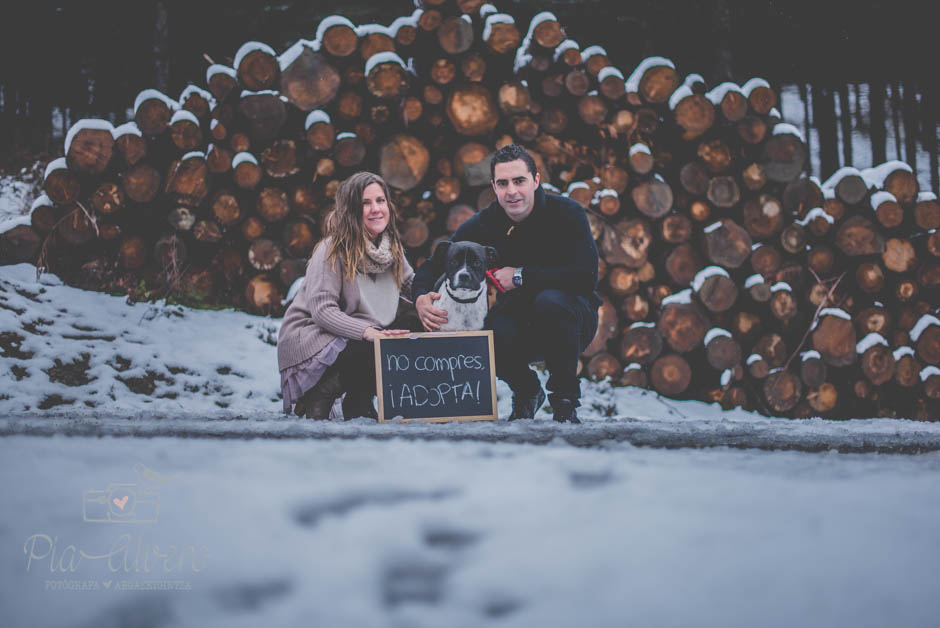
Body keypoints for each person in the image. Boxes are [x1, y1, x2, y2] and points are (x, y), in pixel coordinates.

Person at [412, 144, 600, 423]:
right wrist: (420, 297)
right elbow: (436, 262)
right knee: (488, 329)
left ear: (536, 180)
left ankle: (564, 403)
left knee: (551, 301)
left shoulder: (568, 213)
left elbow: (585, 275)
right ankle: (527, 390)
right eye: (503, 183)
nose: (511, 191)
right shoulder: (485, 224)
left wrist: (521, 275)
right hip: (519, 322)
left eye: (519, 181)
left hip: (572, 318)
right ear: (494, 187)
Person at [278, 171, 413, 420]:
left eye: (380, 201)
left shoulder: (390, 248)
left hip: (359, 333)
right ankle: (321, 390)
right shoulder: (332, 250)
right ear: (351, 209)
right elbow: (323, 311)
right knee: (376, 344)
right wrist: (370, 333)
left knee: (410, 330)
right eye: (365, 203)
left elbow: (411, 286)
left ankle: (359, 401)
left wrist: (432, 298)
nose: (376, 209)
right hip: (314, 335)